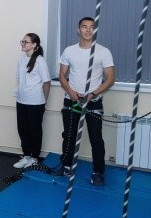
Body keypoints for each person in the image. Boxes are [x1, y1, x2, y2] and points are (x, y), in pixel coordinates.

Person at [55, 17, 115, 185]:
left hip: (93, 101)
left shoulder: (103, 52)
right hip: (72, 100)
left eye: (91, 27)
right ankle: (66, 165)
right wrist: (70, 92)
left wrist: (93, 94)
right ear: (78, 30)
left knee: (96, 138)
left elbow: (110, 79)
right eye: (84, 26)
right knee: (69, 136)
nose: (88, 30)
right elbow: (62, 75)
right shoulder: (69, 51)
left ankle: (98, 172)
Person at [14, 33, 50, 169]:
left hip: (36, 103)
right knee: (22, 130)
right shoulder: (21, 59)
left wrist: (44, 100)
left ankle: (34, 158)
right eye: (22, 41)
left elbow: (47, 83)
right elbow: (20, 80)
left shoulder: (40, 61)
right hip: (21, 101)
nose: (23, 44)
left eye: (26, 42)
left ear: (34, 45)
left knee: (34, 131)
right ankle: (26, 156)